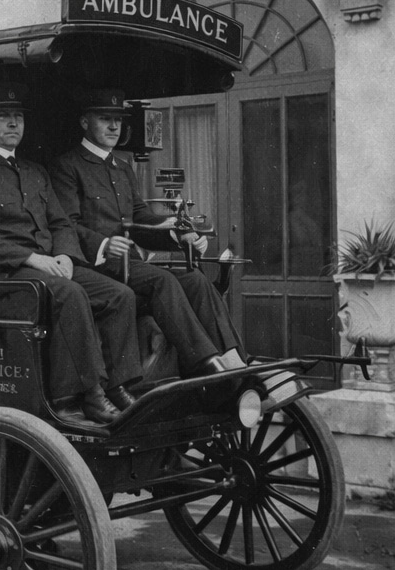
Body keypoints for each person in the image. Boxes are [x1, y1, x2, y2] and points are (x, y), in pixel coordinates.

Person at [0, 84, 141, 425]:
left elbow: (61, 223)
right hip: (2, 278)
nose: (13, 123)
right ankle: (83, 397)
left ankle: (120, 386)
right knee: (69, 292)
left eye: (18, 116)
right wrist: (33, 259)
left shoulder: (35, 172)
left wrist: (65, 256)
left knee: (118, 294)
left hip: (49, 268)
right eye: (3, 116)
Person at [50, 89, 247, 377]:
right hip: (98, 269)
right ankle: (207, 364)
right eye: (105, 119)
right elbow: (65, 223)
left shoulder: (122, 168)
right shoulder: (67, 167)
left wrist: (176, 235)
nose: (114, 127)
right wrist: (104, 244)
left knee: (195, 280)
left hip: (131, 268)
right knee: (163, 280)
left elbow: (140, 218)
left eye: (117, 120)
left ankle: (233, 360)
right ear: (84, 123)